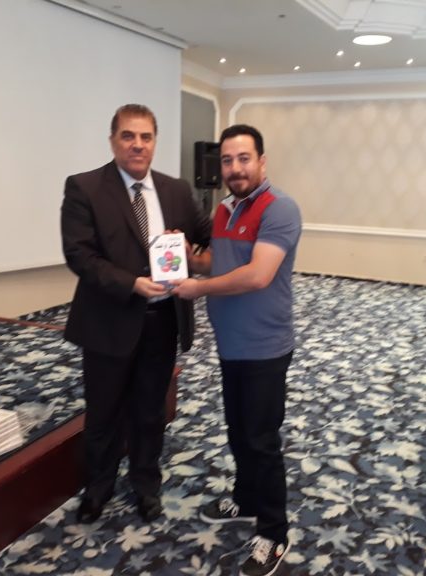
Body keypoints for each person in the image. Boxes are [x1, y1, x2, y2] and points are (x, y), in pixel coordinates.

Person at [60, 104, 210, 524]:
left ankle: (146, 485)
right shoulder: (85, 187)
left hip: (163, 322)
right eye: (128, 136)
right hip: (109, 321)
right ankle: (99, 488)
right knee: (104, 412)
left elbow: (209, 234)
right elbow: (80, 255)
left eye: (146, 137)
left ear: (155, 142)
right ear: (113, 141)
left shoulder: (176, 190)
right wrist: (132, 283)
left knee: (149, 411)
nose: (137, 145)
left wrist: (194, 255)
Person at [172, 124, 301, 576]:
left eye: (244, 158)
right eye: (227, 160)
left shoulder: (279, 208)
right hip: (231, 344)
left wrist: (198, 287)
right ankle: (246, 499)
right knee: (238, 431)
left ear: (261, 161)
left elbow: (258, 274)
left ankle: (274, 532)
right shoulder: (225, 209)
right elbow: (221, 261)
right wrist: (188, 257)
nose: (235, 168)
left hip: (265, 345)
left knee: (262, 441)